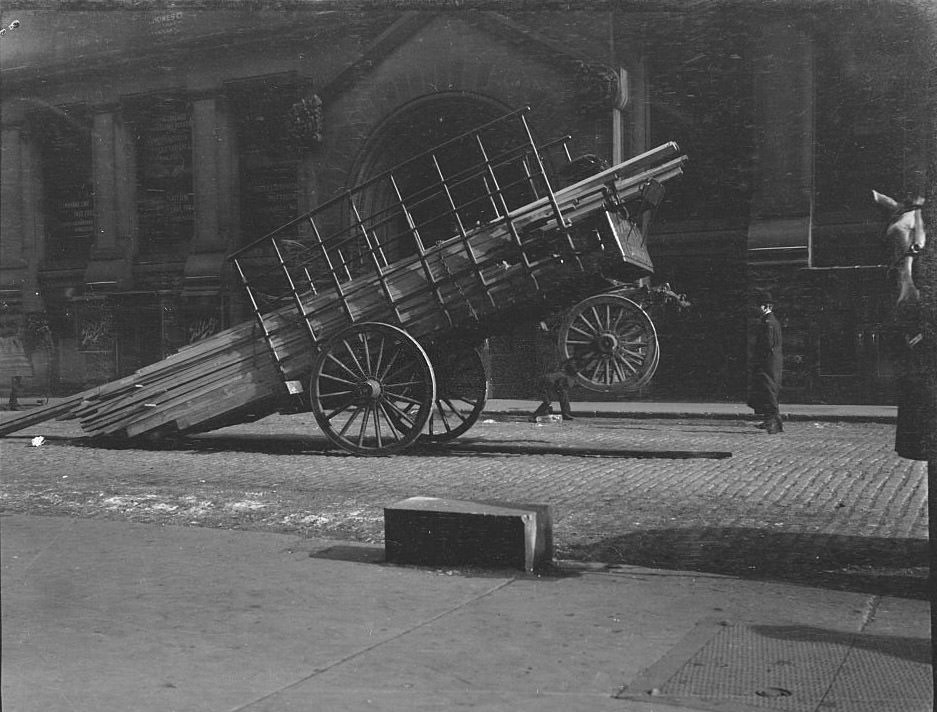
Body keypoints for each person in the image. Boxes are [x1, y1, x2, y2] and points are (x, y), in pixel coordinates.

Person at [747, 290, 783, 434]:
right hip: (771, 363)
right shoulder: (771, 321)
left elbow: (767, 345)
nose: (757, 309)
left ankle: (774, 424)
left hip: (767, 364)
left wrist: (758, 361)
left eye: (759, 306)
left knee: (769, 392)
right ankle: (769, 421)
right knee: (767, 392)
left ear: (765, 307)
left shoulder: (768, 322)